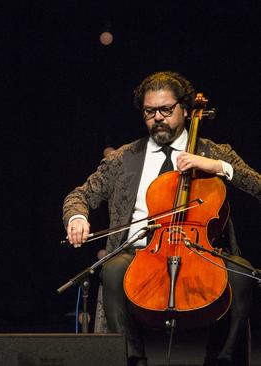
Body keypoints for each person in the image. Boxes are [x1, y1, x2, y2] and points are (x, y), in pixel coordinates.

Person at [62, 71, 260, 366]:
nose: (158, 118)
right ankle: (131, 359)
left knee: (242, 275)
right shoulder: (123, 158)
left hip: (200, 254)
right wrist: (77, 217)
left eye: (166, 110)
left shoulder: (214, 152)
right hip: (141, 255)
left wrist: (219, 166)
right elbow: (78, 195)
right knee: (113, 269)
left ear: (185, 108)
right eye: (149, 111)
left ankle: (222, 359)